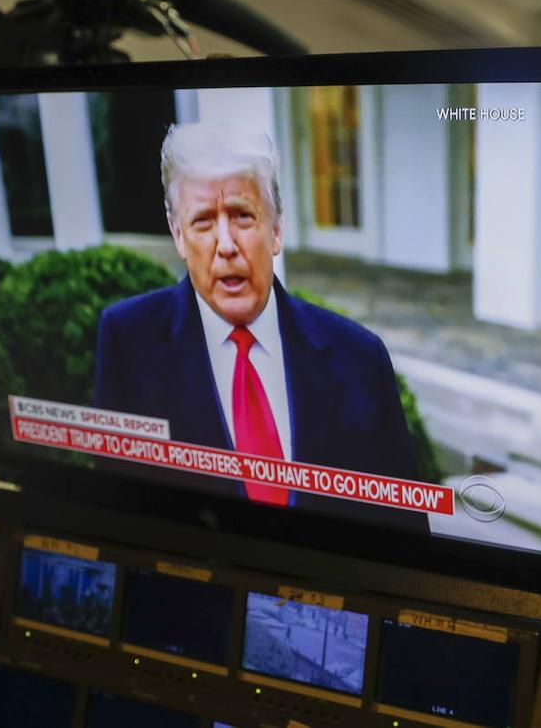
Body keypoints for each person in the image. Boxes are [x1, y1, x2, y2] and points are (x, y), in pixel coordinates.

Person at [94, 121, 425, 530]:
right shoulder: (128, 342)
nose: (226, 245)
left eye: (242, 216)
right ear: (178, 235)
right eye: (203, 222)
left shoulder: (360, 358)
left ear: (276, 228)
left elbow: (404, 532)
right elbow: (119, 522)